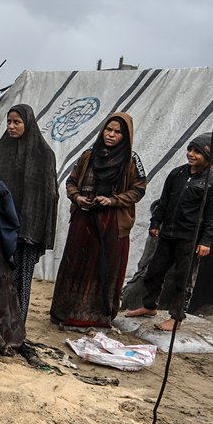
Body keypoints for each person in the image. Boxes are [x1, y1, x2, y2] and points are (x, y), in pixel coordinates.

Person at [50, 113, 147, 327]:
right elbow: (72, 181)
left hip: (112, 224)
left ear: (126, 136)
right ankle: (67, 312)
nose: (111, 135)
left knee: (103, 267)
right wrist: (77, 197)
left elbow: (139, 189)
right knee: (77, 264)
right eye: (108, 130)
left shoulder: (131, 160)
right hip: (84, 220)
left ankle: (95, 317)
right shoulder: (89, 155)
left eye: (117, 132)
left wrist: (113, 200)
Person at [125, 132, 213, 331]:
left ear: (209, 157)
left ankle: (177, 318)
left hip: (190, 238)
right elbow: (163, 202)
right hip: (168, 234)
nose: (190, 154)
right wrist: (156, 222)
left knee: (184, 279)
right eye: (190, 149)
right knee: (154, 271)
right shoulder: (177, 173)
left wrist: (206, 241)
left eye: (197, 152)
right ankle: (149, 306)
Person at [0, 104, 58, 322]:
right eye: (8, 122)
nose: (11, 126)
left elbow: (48, 196)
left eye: (17, 122)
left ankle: (15, 327)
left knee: (20, 281)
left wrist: (32, 229)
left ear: (28, 123)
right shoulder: (0, 151)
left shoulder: (43, 154)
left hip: (27, 232)